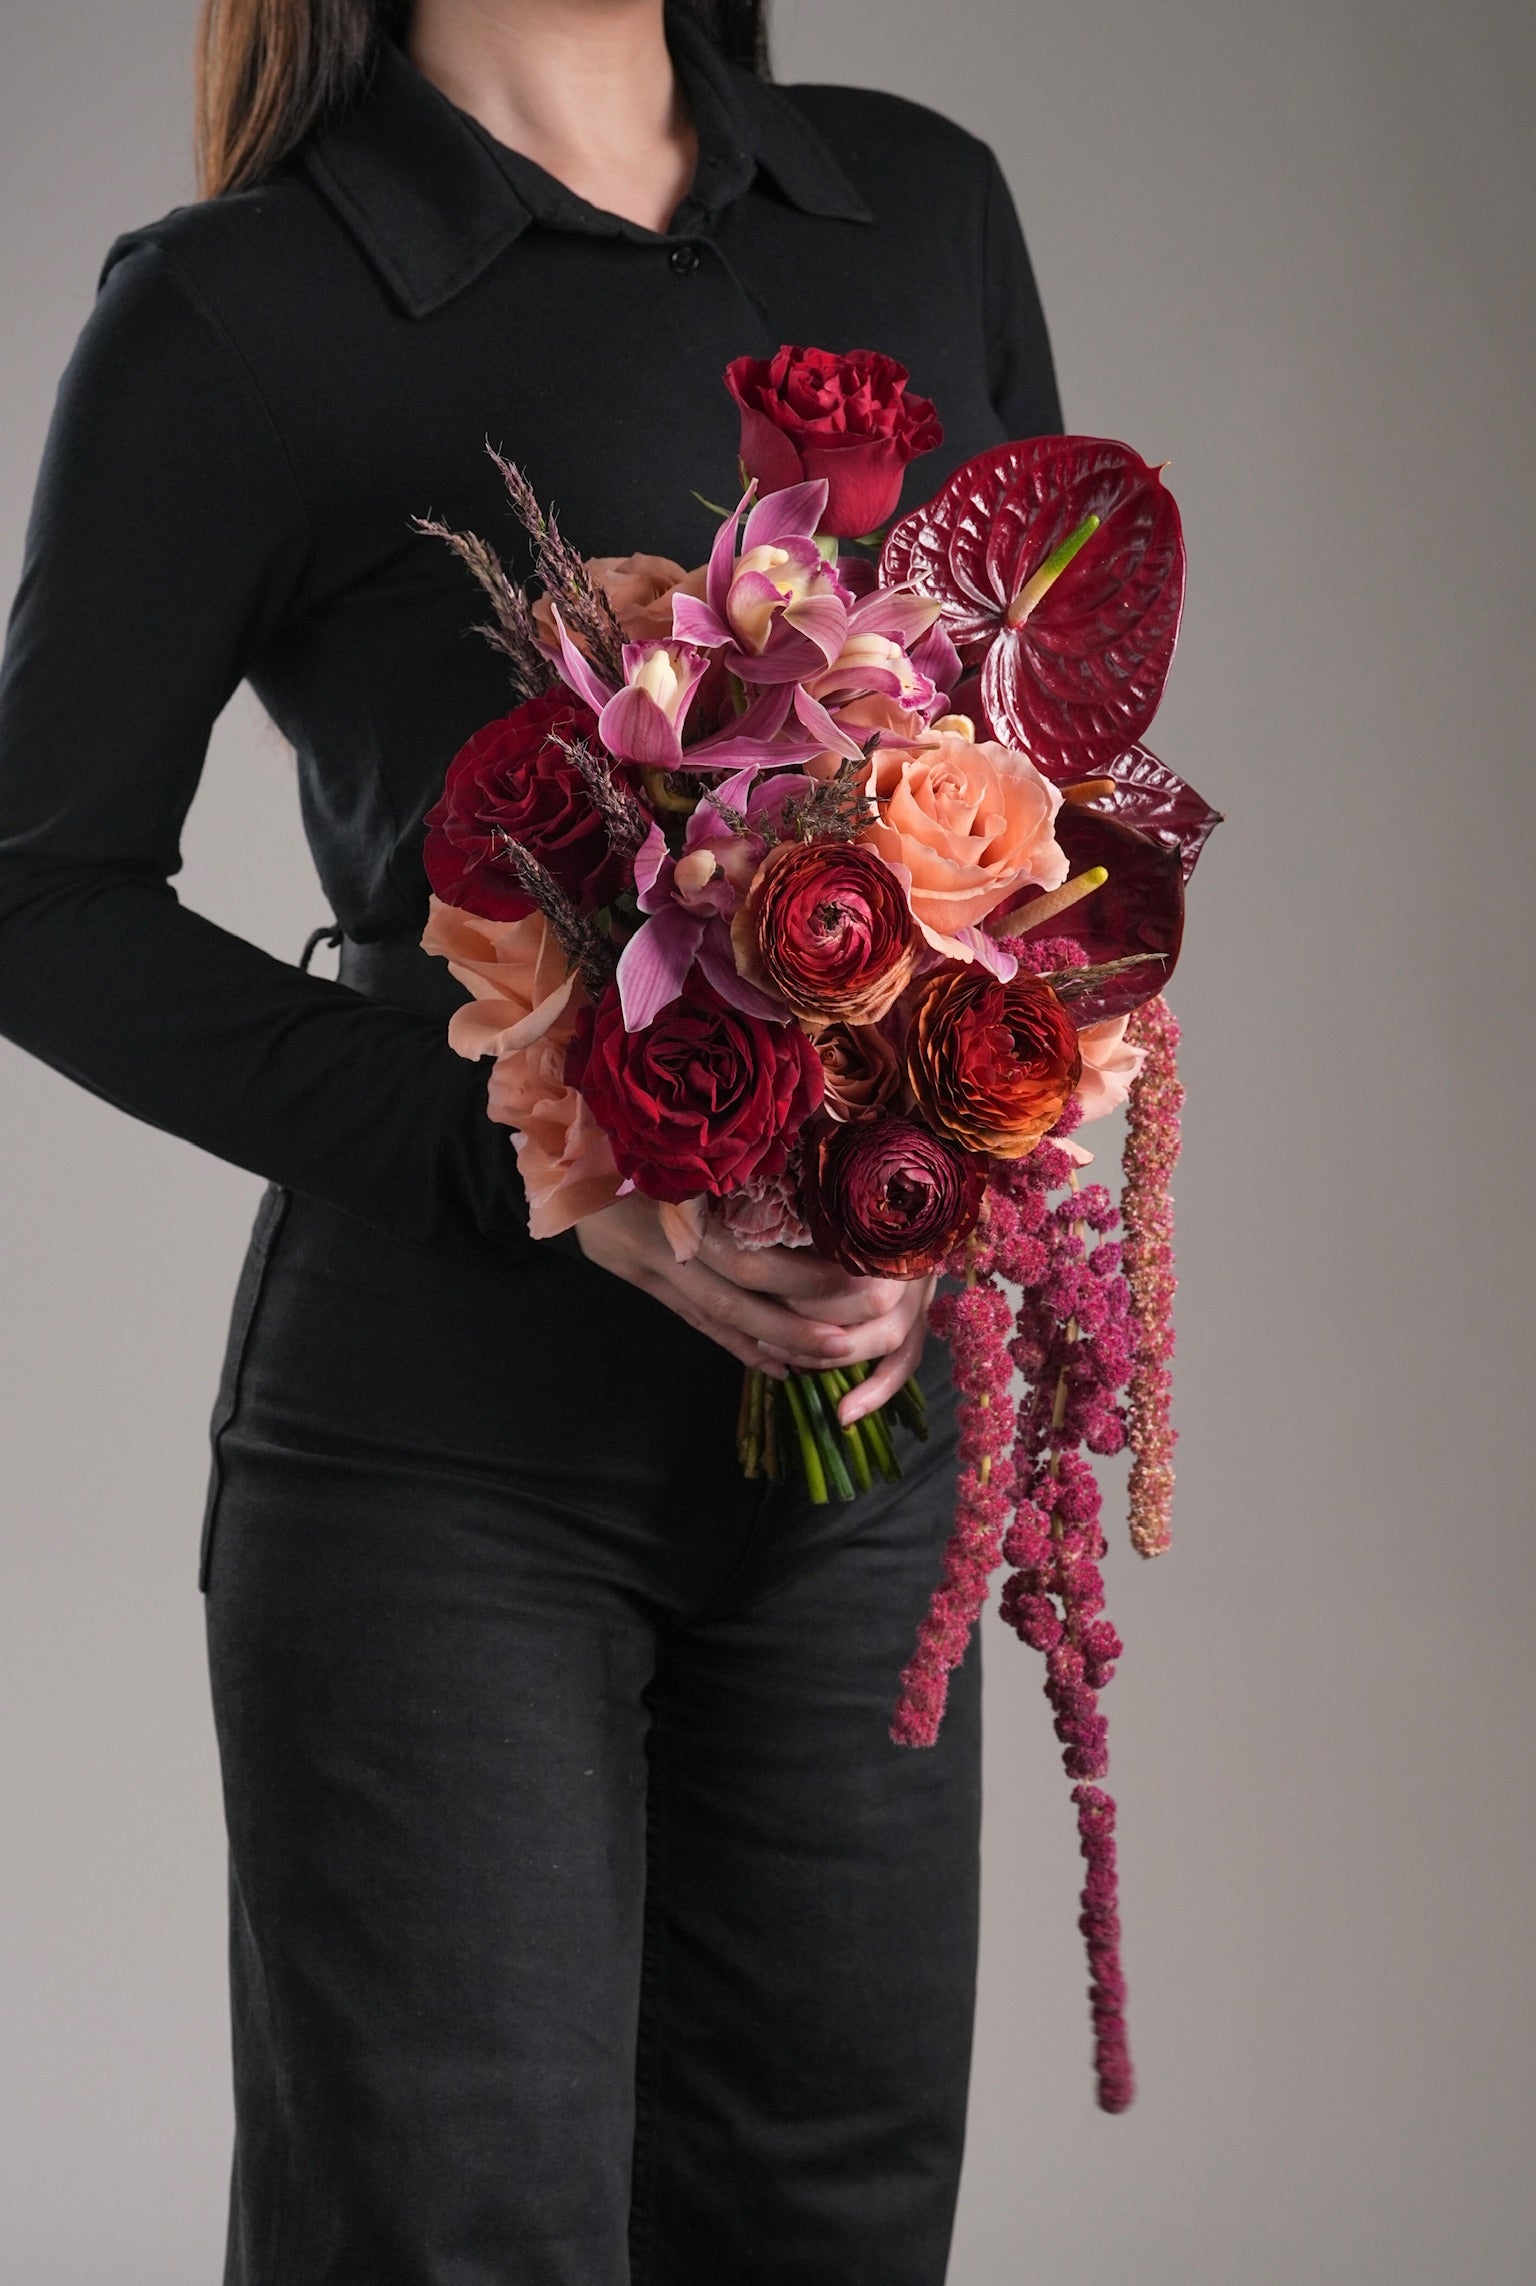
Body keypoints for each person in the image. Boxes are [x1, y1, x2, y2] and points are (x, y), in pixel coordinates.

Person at [0, 1, 1061, 2276]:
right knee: (448, 2233)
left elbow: (1037, 794)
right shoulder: (241, 309)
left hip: (865, 1437)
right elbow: (34, 892)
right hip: (439, 1459)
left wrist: (948, 1151)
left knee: (829, 2223)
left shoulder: (921, 207)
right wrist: (545, 1145)